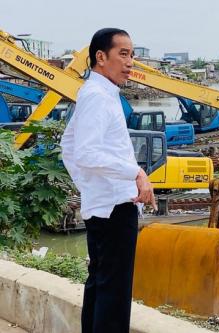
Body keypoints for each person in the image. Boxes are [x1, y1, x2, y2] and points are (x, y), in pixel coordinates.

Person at [61, 28, 156, 333]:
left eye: (133, 55)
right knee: (113, 295)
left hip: (104, 205)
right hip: (115, 207)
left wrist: (90, 188)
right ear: (101, 57)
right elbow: (86, 152)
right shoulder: (98, 97)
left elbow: (69, 146)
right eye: (123, 54)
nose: (130, 63)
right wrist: (137, 173)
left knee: (101, 286)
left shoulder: (96, 93)